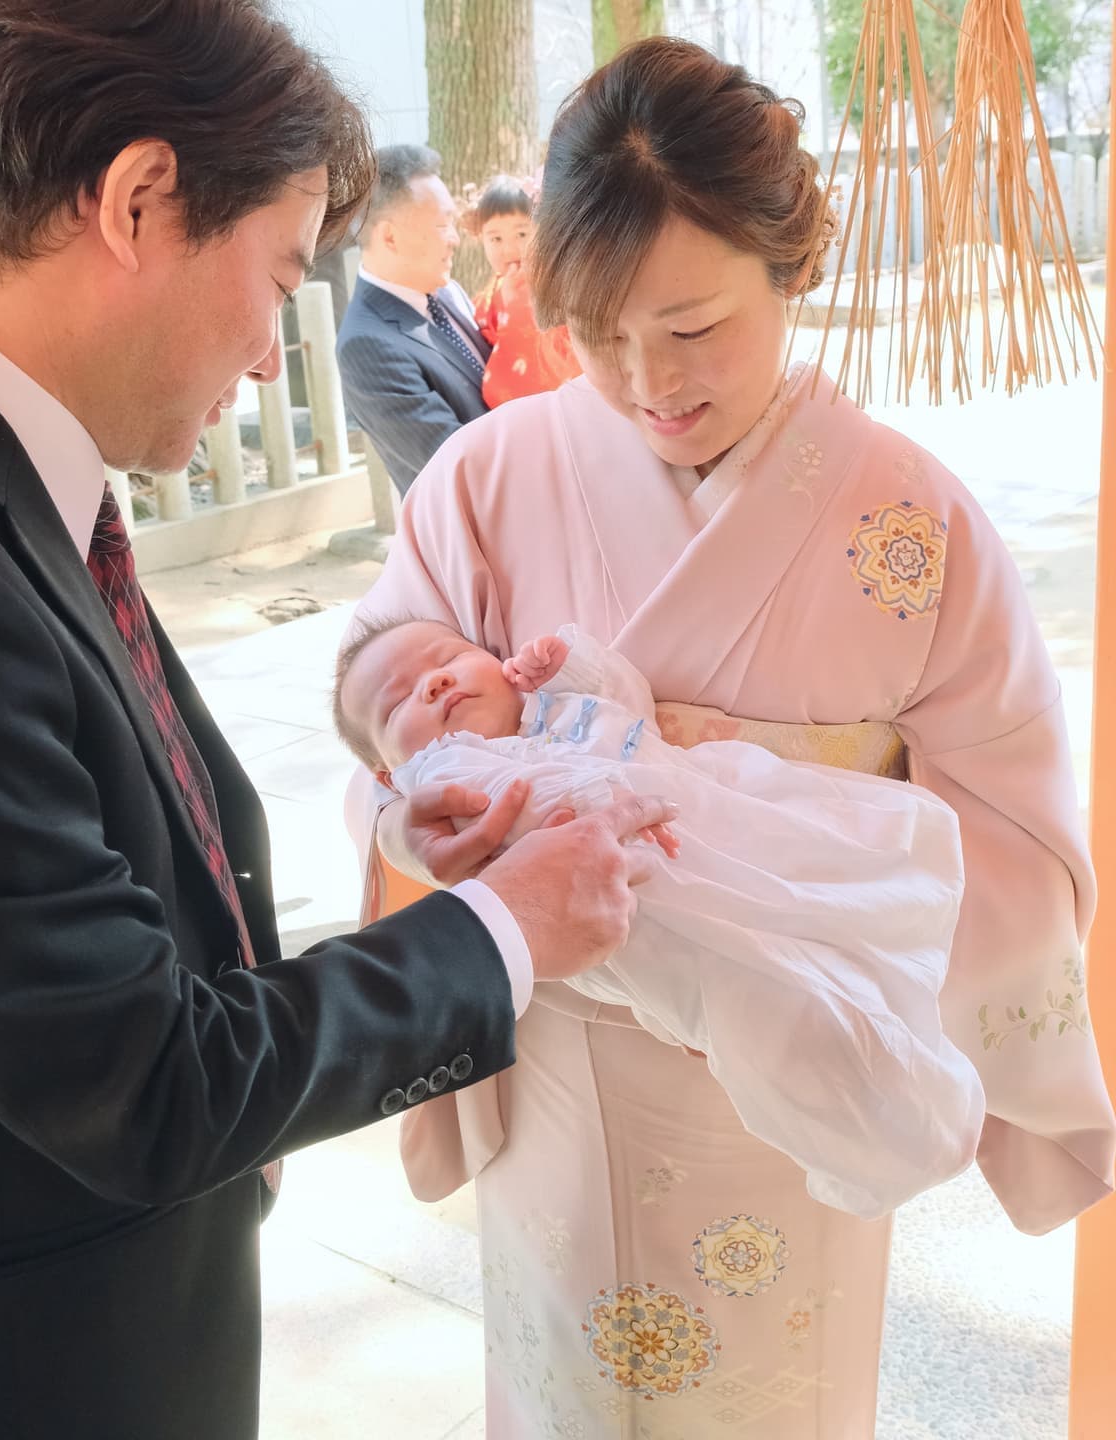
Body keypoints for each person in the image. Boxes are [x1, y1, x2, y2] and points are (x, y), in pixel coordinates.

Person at [0, 5, 681, 1438]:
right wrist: (510, 928)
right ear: (140, 199)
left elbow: (91, 878)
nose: (276, 356)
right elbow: (145, 1078)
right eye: (278, 278)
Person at [347, 36, 1116, 1437]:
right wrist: (428, 740)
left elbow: (1021, 850)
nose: (650, 380)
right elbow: (380, 698)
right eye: (599, 331)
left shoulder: (914, 526)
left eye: (695, 327)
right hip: (557, 1069)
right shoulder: (487, 477)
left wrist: (779, 828)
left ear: (788, 267)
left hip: (789, 1101)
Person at [334, 615, 984, 1220]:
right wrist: (591, 798)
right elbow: (521, 810)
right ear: (388, 772)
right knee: (783, 1005)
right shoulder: (452, 772)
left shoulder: (555, 710)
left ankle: (913, 1058)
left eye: (447, 658)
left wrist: (571, 665)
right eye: (398, 702)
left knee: (846, 873)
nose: (434, 682)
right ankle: (901, 1130)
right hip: (648, 905)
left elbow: (627, 702)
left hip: (717, 815)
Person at [336, 144, 490, 496]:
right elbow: (457, 467)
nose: (455, 239)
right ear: (389, 236)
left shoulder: (446, 289)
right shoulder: (366, 346)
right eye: (442, 225)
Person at [466, 175, 582, 407]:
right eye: (495, 238)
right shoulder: (486, 298)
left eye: (521, 234)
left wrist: (519, 304)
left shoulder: (561, 285)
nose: (509, 248)